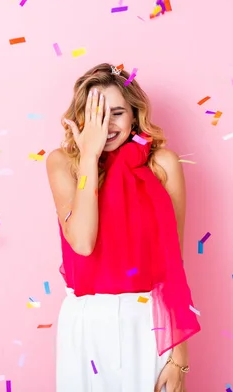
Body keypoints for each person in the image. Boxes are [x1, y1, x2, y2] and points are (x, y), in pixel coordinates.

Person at [46, 63, 201, 392]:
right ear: (81, 118)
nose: (107, 125)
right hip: (85, 323)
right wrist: (89, 156)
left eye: (116, 113)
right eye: (97, 114)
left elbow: (174, 266)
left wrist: (179, 359)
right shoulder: (63, 163)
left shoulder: (163, 165)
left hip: (148, 322)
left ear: (134, 115)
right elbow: (84, 242)